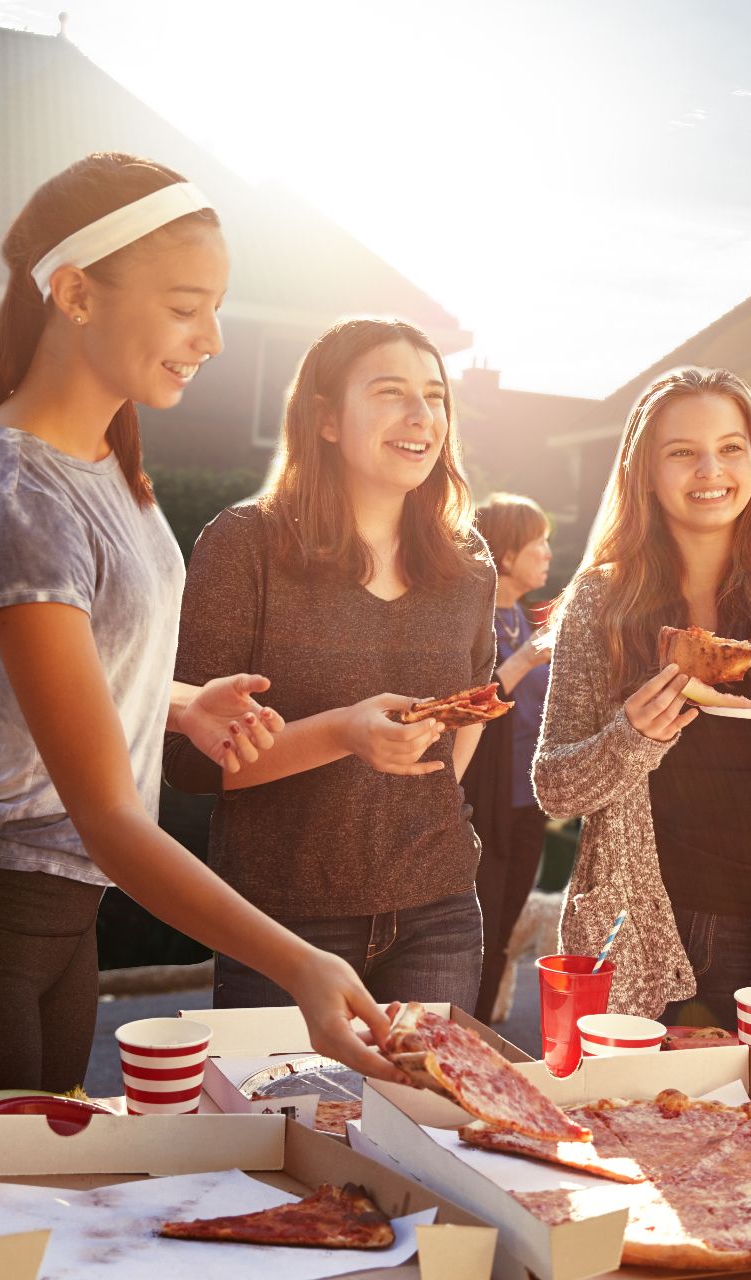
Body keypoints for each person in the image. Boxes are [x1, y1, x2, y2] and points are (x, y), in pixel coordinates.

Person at [0, 154, 401, 1115]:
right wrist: (301, 964)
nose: (213, 337)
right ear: (74, 293)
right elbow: (108, 816)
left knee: (48, 1239)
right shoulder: (19, 489)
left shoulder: (106, 460)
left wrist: (177, 705)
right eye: (188, 305)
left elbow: (68, 666)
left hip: (61, 930)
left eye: (217, 307)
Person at [534, 367, 751, 1030]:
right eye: (682, 452)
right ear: (645, 470)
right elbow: (554, 787)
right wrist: (629, 739)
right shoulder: (601, 601)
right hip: (626, 930)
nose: (711, 470)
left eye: (731, 448)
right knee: (626, 1125)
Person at [166, 318, 494, 1012]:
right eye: (390, 392)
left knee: (424, 1121)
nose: (421, 416)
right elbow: (191, 763)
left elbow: (471, 711)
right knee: (283, 1122)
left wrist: (414, 801)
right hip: (282, 921)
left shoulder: (468, 566)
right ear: (326, 420)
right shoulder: (243, 546)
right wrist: (345, 732)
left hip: (440, 912)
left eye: (435, 396)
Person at [464, 493, 556, 1022]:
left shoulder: (524, 618)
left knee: (503, 934)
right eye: (537, 541)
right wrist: (527, 658)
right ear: (503, 555)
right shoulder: (472, 620)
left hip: (529, 804)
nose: (547, 552)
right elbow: (471, 702)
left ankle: (475, 1043)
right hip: (485, 805)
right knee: (479, 930)